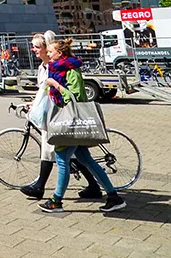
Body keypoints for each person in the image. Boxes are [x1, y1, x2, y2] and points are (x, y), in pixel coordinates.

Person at [39, 39, 126, 214]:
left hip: (70, 123)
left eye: (50, 51)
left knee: (62, 159)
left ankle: (56, 201)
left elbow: (75, 96)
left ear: (60, 54)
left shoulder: (71, 70)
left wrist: (55, 85)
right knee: (87, 160)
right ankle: (114, 196)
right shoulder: (58, 69)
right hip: (70, 123)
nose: (47, 54)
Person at [18, 32, 100, 202]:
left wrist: (50, 92)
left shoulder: (55, 67)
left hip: (58, 114)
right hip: (53, 113)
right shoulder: (44, 66)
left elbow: (66, 93)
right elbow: (43, 91)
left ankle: (50, 194)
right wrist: (35, 103)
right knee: (76, 155)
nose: (34, 49)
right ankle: (97, 187)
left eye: (37, 47)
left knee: (55, 153)